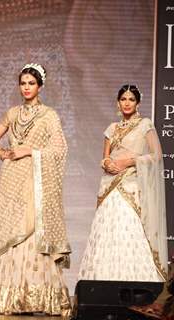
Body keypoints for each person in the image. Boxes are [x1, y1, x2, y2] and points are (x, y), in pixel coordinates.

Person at [0, 64, 71, 317]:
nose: (27, 87)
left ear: (40, 86)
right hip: (11, 177)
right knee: (12, 228)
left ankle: (35, 296)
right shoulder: (12, 113)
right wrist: (4, 154)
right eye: (23, 83)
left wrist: (29, 150)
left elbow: (60, 148)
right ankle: (10, 295)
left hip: (36, 177)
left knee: (30, 228)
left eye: (31, 83)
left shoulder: (49, 115)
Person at [77, 84, 167, 283]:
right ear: (118, 102)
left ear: (138, 103)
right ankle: (101, 281)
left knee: (128, 228)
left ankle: (135, 282)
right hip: (110, 186)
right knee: (106, 231)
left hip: (131, 185)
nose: (127, 103)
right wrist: (107, 163)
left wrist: (130, 161)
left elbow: (156, 156)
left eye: (131, 99)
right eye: (123, 99)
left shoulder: (145, 125)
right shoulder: (112, 128)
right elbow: (105, 158)